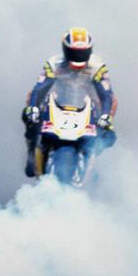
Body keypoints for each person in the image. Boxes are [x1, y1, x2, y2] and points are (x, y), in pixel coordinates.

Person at [21, 27, 117, 177]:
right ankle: (32, 152)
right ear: (65, 49)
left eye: (82, 52)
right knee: (29, 113)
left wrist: (105, 116)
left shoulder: (98, 67)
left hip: (88, 104)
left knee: (109, 134)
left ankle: (94, 159)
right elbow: (40, 87)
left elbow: (106, 94)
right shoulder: (54, 63)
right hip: (58, 101)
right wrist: (33, 108)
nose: (78, 56)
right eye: (74, 52)